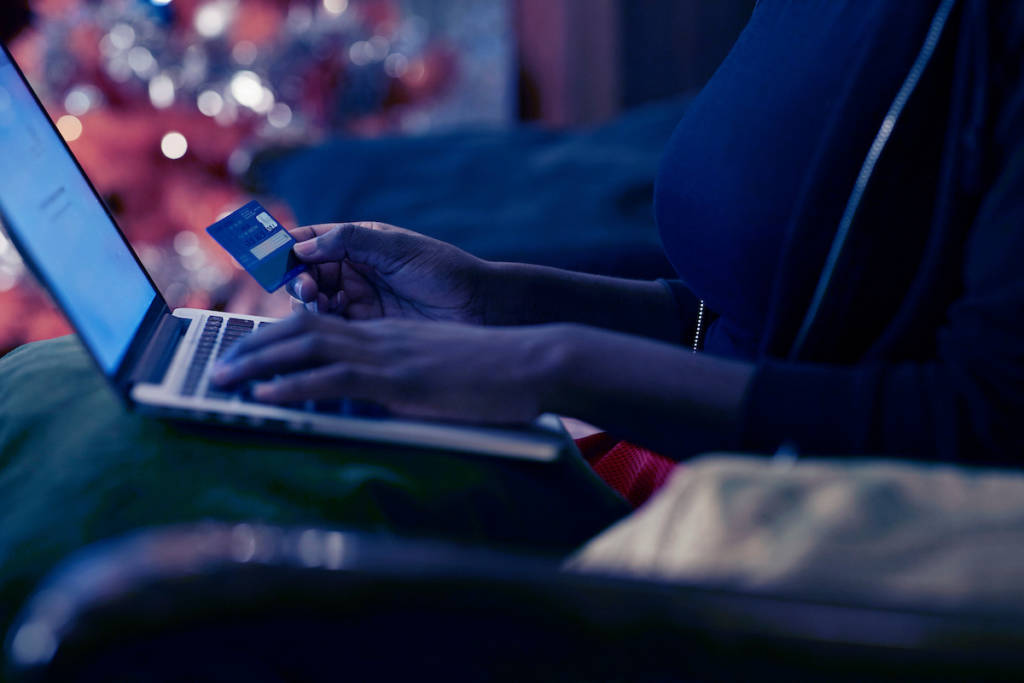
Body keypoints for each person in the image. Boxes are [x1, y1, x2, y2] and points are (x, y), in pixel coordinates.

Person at [214, 0, 1024, 477]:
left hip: (771, 550)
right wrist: (499, 302)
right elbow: (772, 317)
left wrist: (547, 365)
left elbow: (974, 433)